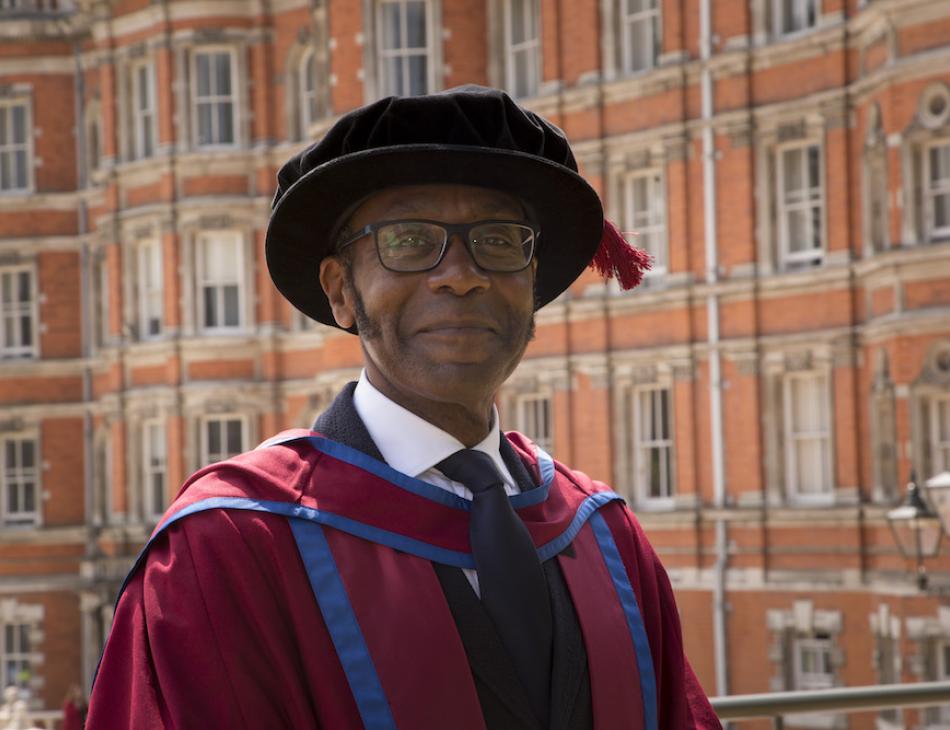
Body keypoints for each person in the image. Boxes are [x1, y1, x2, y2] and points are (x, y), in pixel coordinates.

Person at [87, 85, 720, 729]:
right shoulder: (231, 544)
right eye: (411, 240)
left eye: (498, 240)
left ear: (531, 282)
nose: (460, 274)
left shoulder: (603, 535)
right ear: (341, 291)